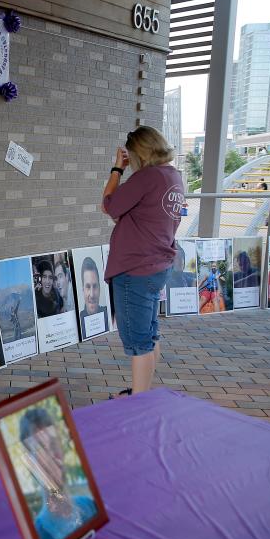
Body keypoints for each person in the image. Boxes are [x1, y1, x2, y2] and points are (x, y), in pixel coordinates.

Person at [101, 125, 182, 396]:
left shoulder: (146, 177)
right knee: (149, 334)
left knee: (138, 342)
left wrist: (117, 169)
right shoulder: (173, 176)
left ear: (138, 153)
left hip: (134, 268)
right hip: (157, 263)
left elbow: (109, 205)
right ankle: (143, 392)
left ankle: (138, 401)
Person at [18, 406, 97, 539]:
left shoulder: (91, 506)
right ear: (31, 463)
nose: (54, 456)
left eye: (54, 443)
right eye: (41, 448)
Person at [77, 256, 109, 336]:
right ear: (83, 290)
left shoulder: (108, 314)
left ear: (100, 288)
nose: (92, 294)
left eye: (95, 286)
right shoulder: (78, 322)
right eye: (88, 287)